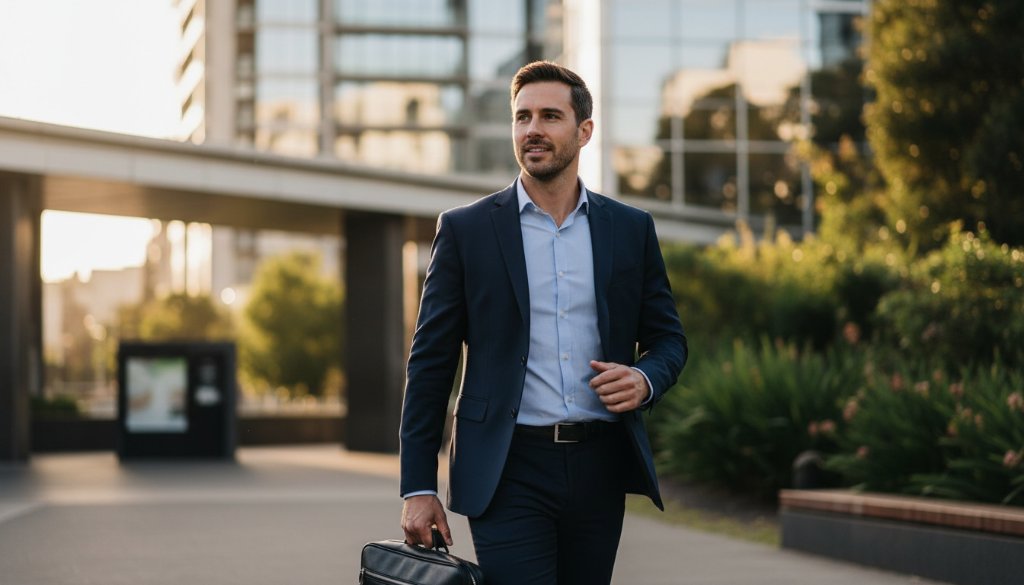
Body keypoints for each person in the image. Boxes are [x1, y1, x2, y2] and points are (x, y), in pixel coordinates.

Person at [399, 60, 687, 585]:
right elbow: (430, 365)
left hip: (600, 464)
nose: (532, 129)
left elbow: (669, 338)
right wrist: (418, 486)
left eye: (550, 116)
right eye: (522, 116)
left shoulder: (630, 229)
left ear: (584, 131)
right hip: (507, 469)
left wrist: (644, 379)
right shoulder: (466, 231)